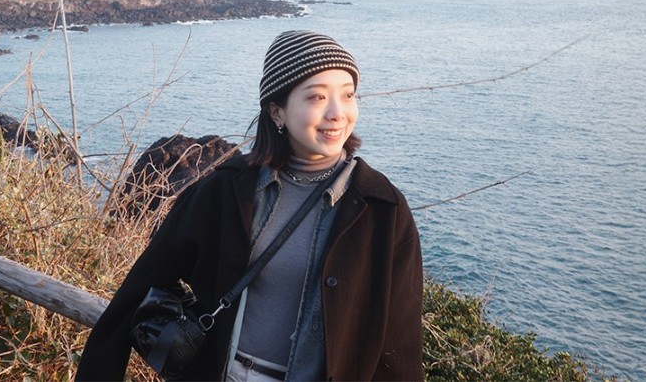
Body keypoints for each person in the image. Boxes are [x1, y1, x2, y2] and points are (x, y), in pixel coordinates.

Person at [76, 30, 423, 381]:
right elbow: (142, 284)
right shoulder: (228, 189)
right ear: (277, 112)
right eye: (317, 97)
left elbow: (399, 343)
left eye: (348, 95)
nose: (337, 113)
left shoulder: (382, 208)